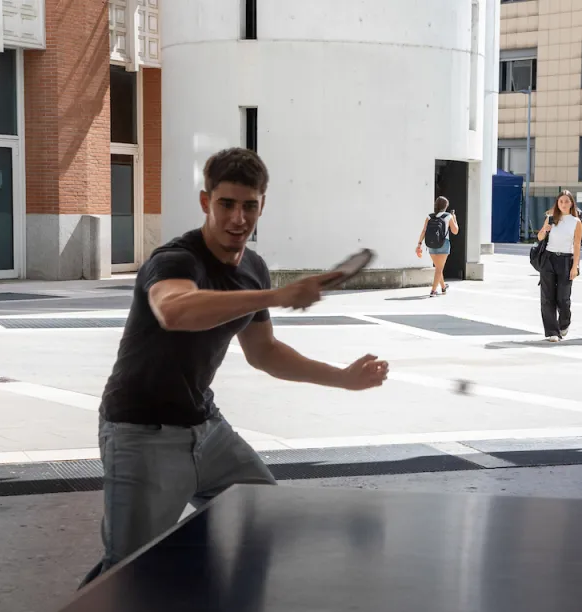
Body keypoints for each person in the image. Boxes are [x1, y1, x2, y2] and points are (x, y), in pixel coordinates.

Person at [81, 147, 390, 587]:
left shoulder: (253, 268)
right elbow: (175, 310)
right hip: (140, 431)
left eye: (249, 206)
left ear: (263, 206)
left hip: (206, 431)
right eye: (226, 204)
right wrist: (276, 296)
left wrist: (342, 378)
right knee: (127, 574)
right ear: (205, 201)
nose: (238, 218)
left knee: (262, 516)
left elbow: (264, 352)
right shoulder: (175, 259)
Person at [537, 190, 582, 342]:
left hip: (566, 260)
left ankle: (564, 323)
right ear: (557, 203)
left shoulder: (576, 222)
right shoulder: (551, 218)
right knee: (547, 297)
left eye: (566, 201)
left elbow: (577, 245)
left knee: (563, 298)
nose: (563, 204)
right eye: (561, 201)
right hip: (548, 259)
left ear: (571, 204)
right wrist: (545, 229)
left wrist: (575, 266)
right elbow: (540, 237)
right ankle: (552, 332)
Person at [416, 196, 459, 297]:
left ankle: (443, 287)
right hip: (444, 244)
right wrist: (455, 219)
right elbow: (455, 231)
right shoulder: (448, 216)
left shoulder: (429, 216)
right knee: (439, 269)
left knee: (438, 268)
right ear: (445, 206)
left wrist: (419, 244)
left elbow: (424, 231)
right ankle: (433, 291)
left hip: (431, 244)